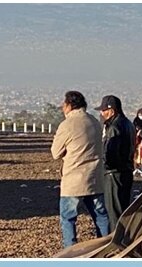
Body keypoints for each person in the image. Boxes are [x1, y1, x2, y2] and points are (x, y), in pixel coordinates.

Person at [51, 90, 110, 247]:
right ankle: (106, 245)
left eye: (64, 105)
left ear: (69, 105)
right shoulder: (94, 122)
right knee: (100, 215)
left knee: (68, 217)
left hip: (73, 179)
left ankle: (70, 250)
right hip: (94, 177)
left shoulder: (67, 125)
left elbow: (55, 153)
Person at [97, 95, 134, 230]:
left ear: (112, 111)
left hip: (114, 174)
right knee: (123, 210)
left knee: (114, 213)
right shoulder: (128, 124)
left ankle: (116, 243)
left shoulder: (114, 127)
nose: (102, 113)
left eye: (104, 110)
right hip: (127, 171)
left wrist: (106, 165)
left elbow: (110, 152)